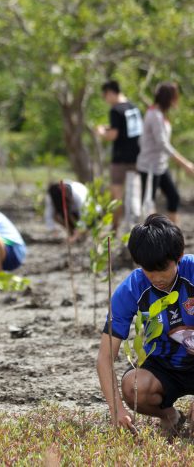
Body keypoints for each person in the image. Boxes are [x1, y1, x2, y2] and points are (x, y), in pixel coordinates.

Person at [97, 214, 194, 437]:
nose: (157, 277)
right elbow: (104, 357)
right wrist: (117, 410)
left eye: (163, 269)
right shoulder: (132, 288)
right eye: (149, 270)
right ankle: (171, 416)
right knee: (134, 387)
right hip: (165, 365)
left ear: (178, 257)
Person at [136, 82, 194, 223]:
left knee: (173, 196)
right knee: (149, 205)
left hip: (161, 166)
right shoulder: (154, 115)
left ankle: (173, 236)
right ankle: (152, 239)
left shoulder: (160, 114)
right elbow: (162, 144)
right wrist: (185, 164)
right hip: (149, 168)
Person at [96, 80, 142, 230]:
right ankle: (135, 227)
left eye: (105, 96)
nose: (106, 100)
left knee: (116, 195)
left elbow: (113, 135)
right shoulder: (133, 107)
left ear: (110, 92)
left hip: (120, 159)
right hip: (136, 157)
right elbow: (127, 129)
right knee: (134, 195)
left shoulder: (115, 110)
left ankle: (115, 228)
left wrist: (101, 132)